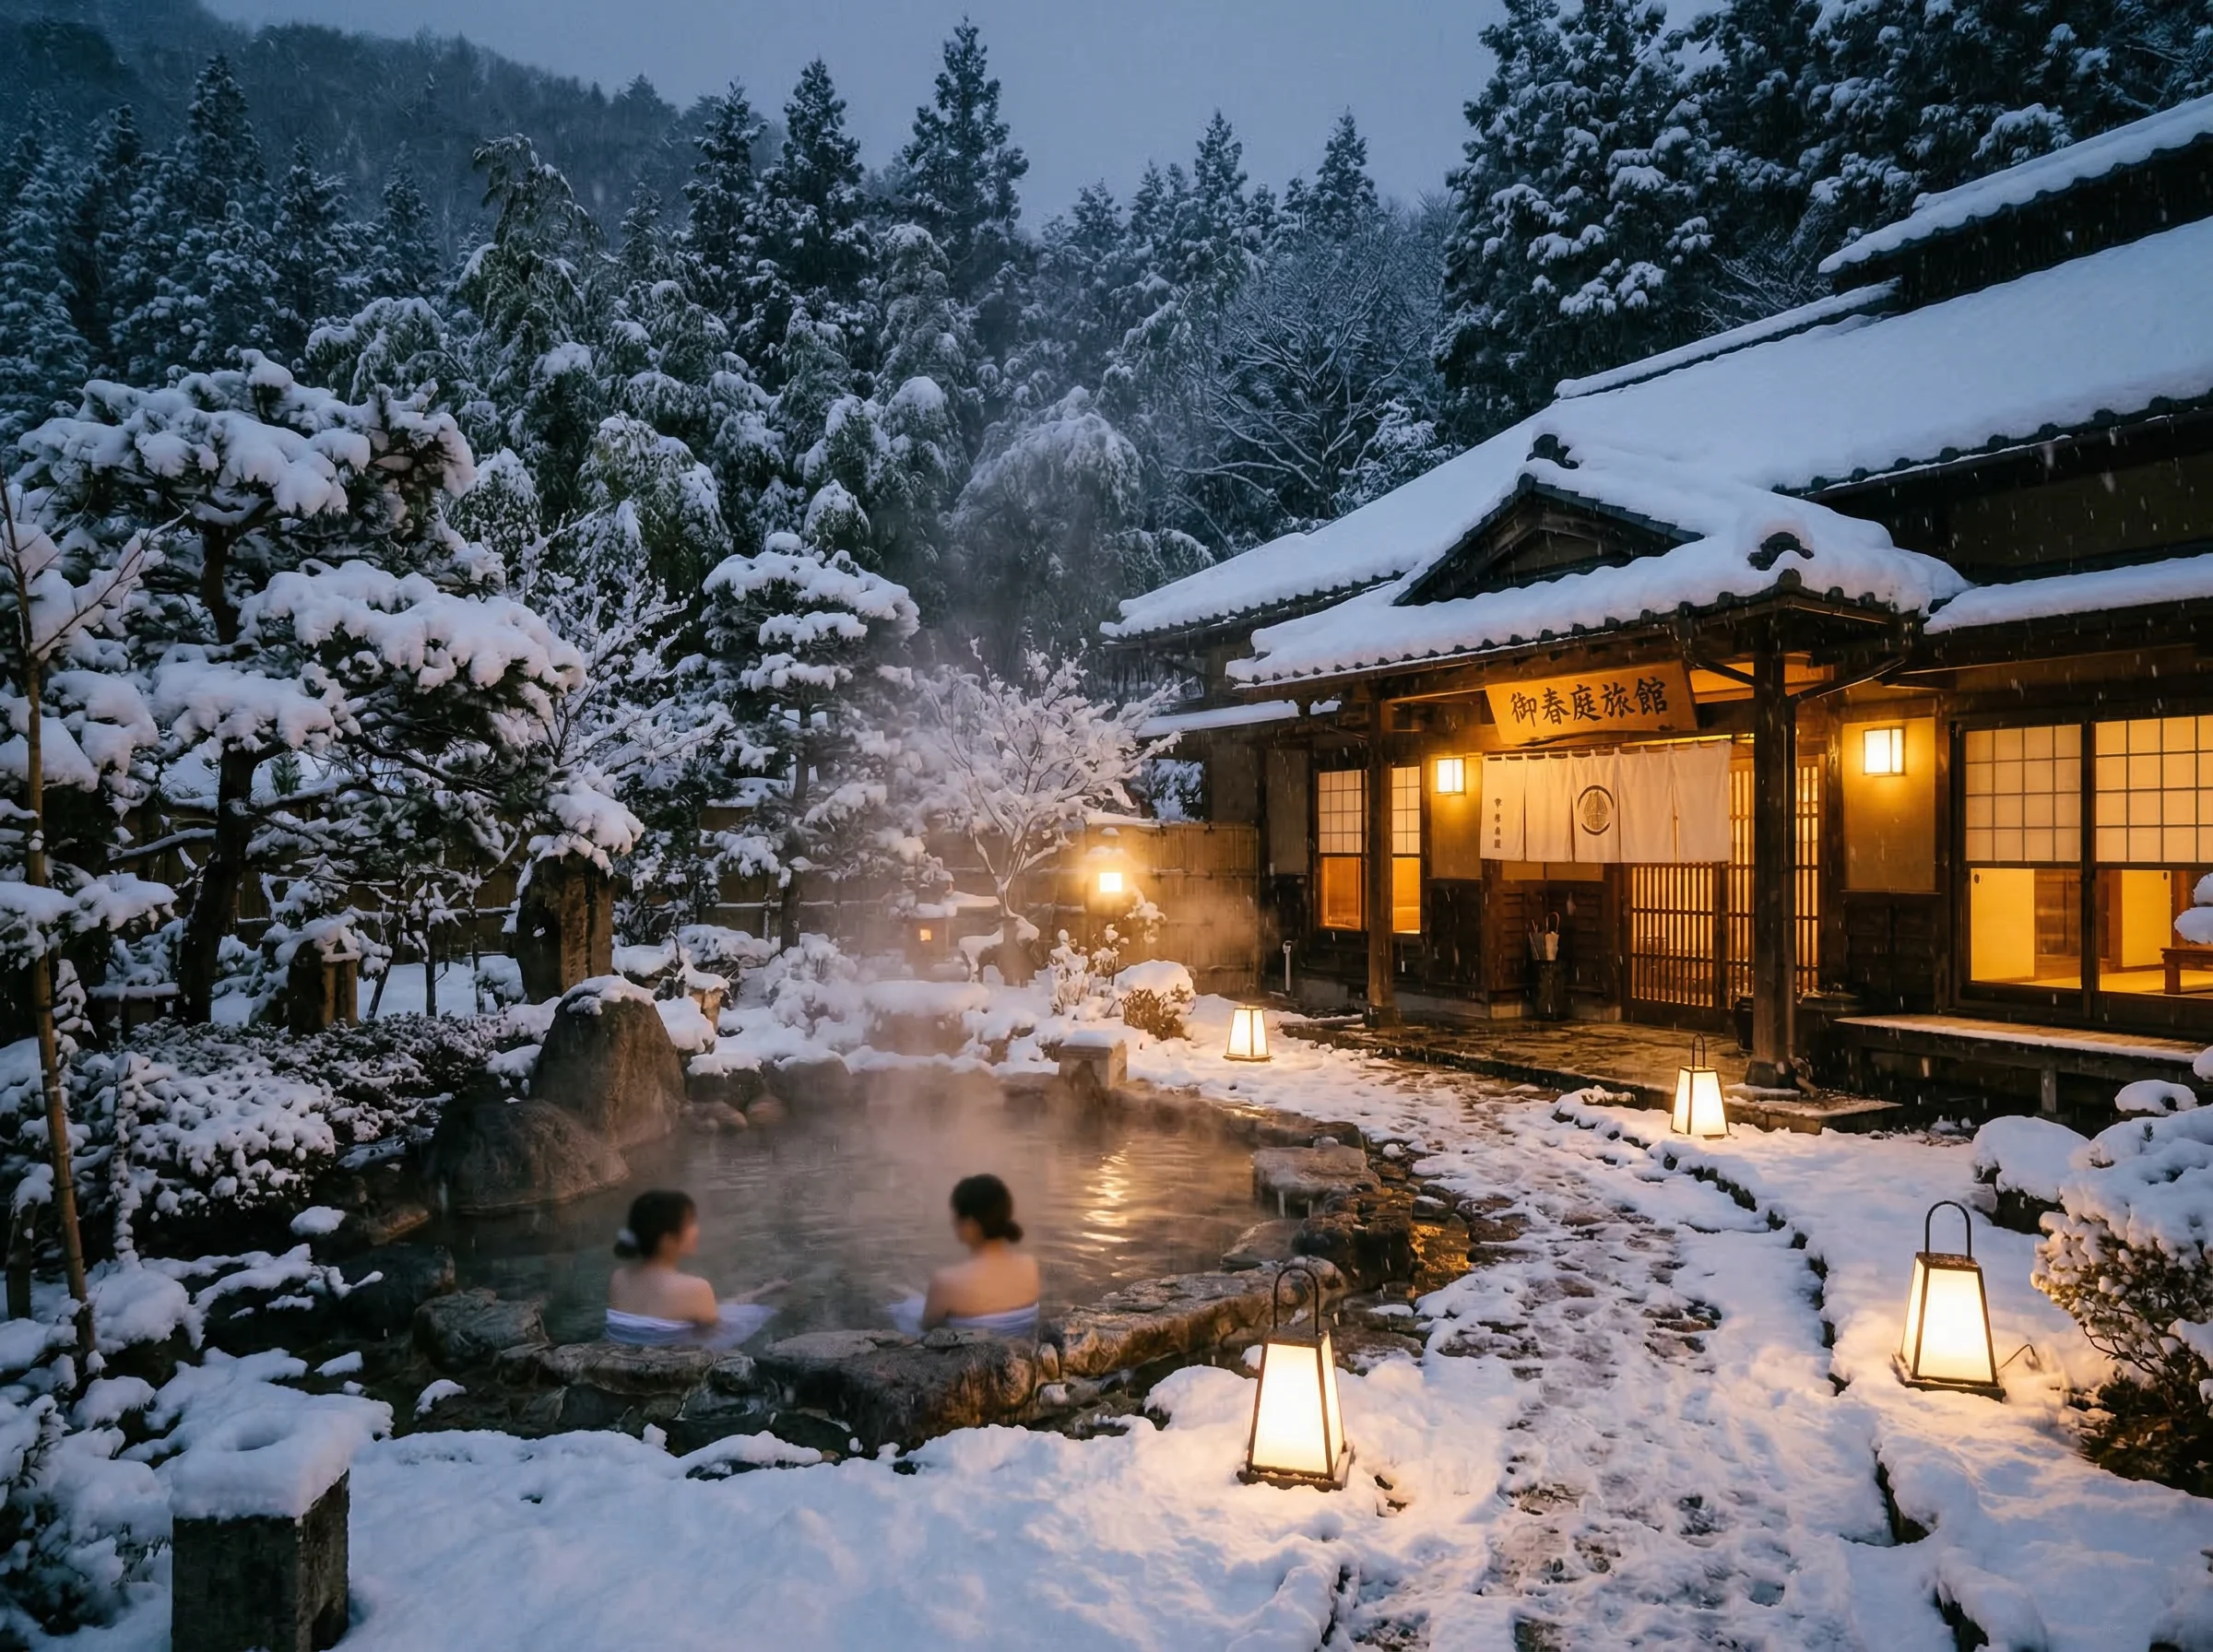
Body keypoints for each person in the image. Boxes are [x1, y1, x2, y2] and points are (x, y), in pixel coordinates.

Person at [605, 1189, 779, 1349]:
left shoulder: (618, 1278)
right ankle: (768, 1293)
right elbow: (714, 1331)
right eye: (690, 1224)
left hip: (626, 1360)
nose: (696, 1230)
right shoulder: (695, 1288)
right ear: (666, 1240)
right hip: (675, 1366)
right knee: (765, 1312)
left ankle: (763, 1291)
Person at [891, 1174, 1040, 1338]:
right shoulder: (1030, 1266)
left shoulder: (947, 1281)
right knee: (915, 1302)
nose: (952, 1221)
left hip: (970, 1358)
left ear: (970, 1224)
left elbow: (926, 1328)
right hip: (1017, 1354)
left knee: (901, 1309)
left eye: (955, 1214)